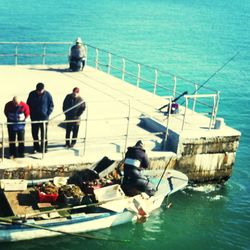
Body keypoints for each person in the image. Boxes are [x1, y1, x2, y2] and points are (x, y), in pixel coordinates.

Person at [27, 83, 54, 153]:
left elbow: (51, 105)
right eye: (38, 91)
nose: (40, 92)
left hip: (44, 118)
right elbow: (28, 104)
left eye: (41, 90)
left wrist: (47, 114)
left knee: (44, 134)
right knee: (35, 134)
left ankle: (44, 148)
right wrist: (31, 114)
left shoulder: (47, 94)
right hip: (34, 118)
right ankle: (36, 147)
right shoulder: (32, 94)